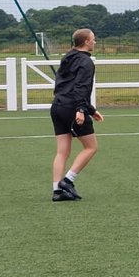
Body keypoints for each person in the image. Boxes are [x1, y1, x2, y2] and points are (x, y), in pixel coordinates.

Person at [50, 28, 104, 202]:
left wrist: (91, 110)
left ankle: (57, 191)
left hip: (57, 106)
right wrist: (81, 110)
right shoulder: (86, 62)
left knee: (62, 152)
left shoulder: (67, 57)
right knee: (91, 147)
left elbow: (66, 85)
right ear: (86, 42)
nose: (95, 42)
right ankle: (67, 181)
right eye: (93, 39)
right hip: (72, 108)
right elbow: (81, 88)